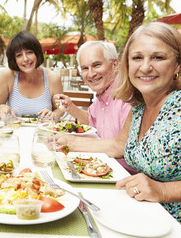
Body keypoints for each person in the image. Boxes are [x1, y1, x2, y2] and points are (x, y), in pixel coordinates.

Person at [54, 22, 181, 222]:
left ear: (177, 64)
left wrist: (163, 190)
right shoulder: (139, 107)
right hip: (140, 211)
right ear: (127, 65)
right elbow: (117, 144)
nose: (145, 67)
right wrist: (65, 141)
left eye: (158, 57)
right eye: (137, 58)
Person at [54, 41, 131, 139]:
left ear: (115, 64)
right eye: (85, 68)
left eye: (96, 65)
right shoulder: (103, 93)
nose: (91, 74)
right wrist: (71, 107)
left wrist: (71, 142)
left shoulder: (128, 97)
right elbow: (91, 121)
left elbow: (121, 147)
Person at [0, 31, 64, 119]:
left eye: (29, 52)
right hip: (15, 130)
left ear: (37, 53)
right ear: (14, 59)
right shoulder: (9, 75)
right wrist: (1, 107)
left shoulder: (52, 78)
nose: (25, 59)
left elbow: (61, 108)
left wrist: (53, 115)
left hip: (43, 131)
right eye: (19, 55)